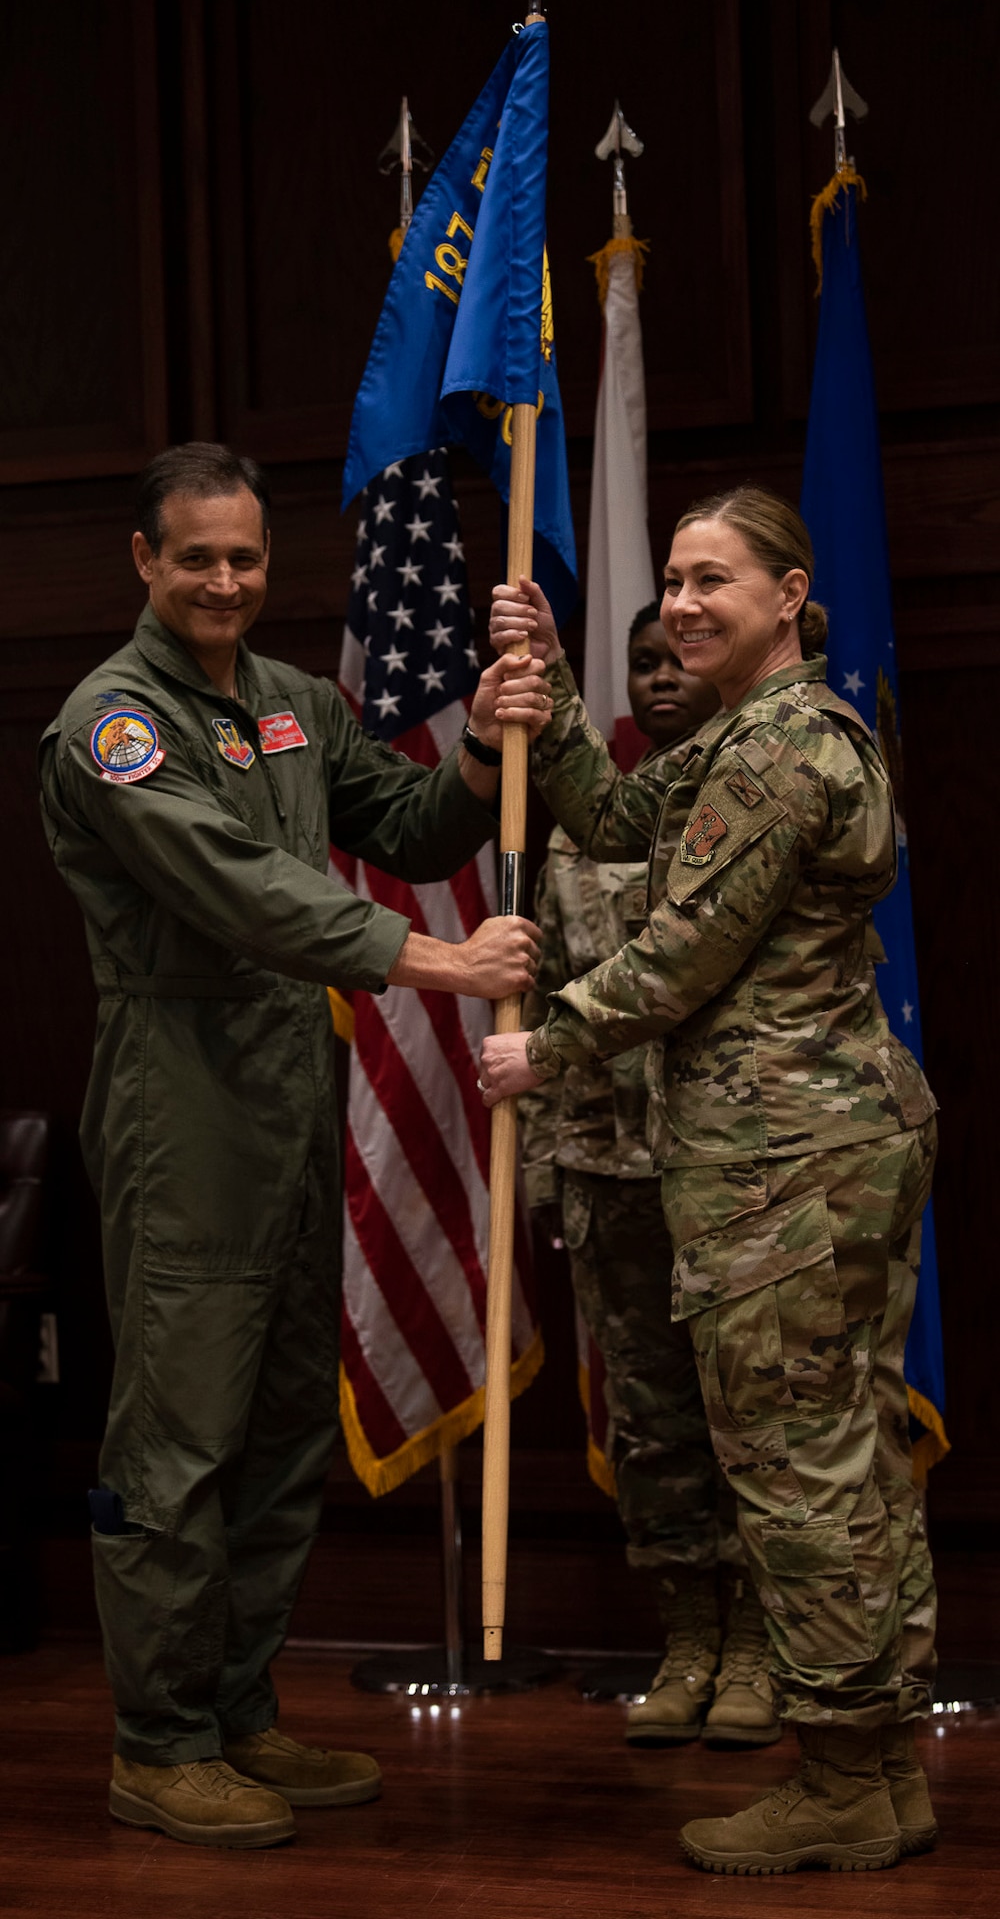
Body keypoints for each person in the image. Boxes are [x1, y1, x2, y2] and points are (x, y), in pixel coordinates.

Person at [39, 441, 550, 1851]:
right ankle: (159, 1742)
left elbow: (402, 827)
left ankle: (240, 1714)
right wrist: (431, 966)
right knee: (180, 1443)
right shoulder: (115, 724)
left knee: (273, 1432)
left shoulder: (290, 703)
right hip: (180, 1098)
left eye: (246, 557)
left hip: (286, 1094)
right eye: (195, 556)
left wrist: (483, 746)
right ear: (143, 559)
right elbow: (243, 889)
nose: (224, 581)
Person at [484, 486, 939, 1876]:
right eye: (673, 581)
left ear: (791, 596)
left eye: (714, 582)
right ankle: (883, 1766)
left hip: (785, 1161)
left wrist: (543, 1047)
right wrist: (550, 681)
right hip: (798, 1148)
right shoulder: (739, 737)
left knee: (800, 1467)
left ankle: (848, 1776)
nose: (681, 605)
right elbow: (617, 822)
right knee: (843, 1454)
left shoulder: (784, 748)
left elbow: (679, 952)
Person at [521, 611, 781, 1748]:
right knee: (653, 1418)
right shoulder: (580, 835)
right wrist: (541, 1164)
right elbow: (537, 1004)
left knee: (757, 1412)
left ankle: (766, 1644)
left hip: (736, 1164)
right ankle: (688, 1635)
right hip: (608, 1166)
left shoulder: (758, 795)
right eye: (642, 664)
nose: (662, 676)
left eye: (678, 656)